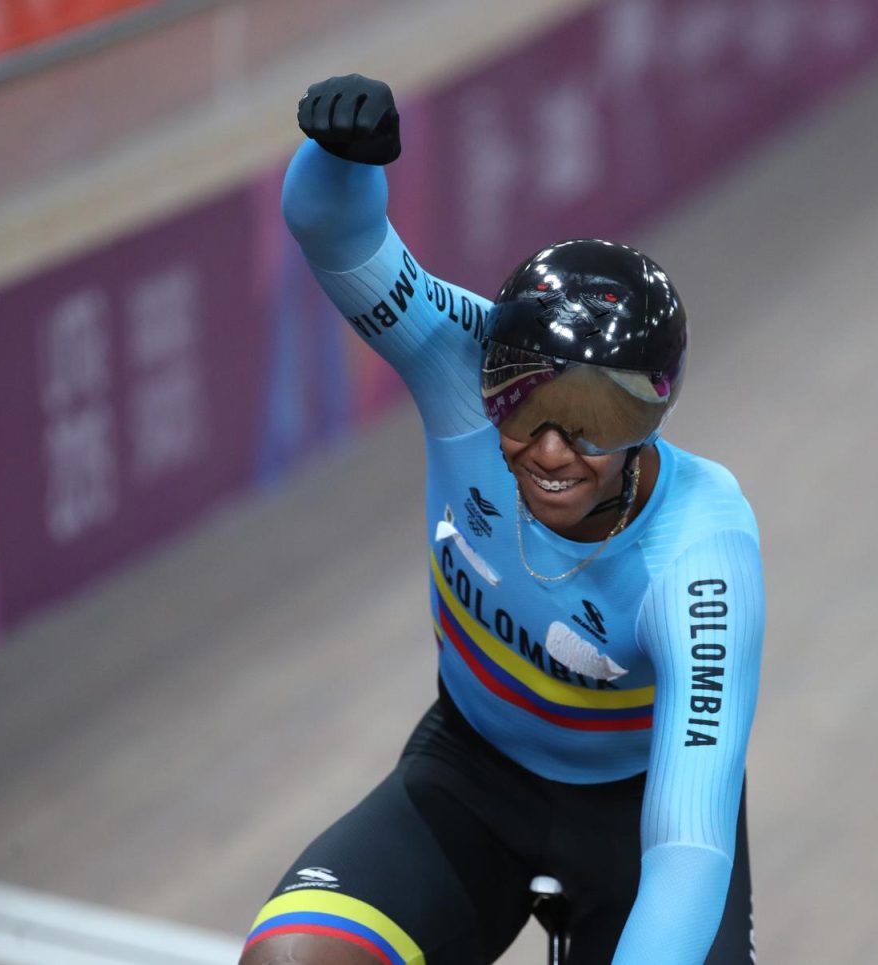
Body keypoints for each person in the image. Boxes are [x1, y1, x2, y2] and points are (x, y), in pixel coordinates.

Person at [240, 74, 765, 965]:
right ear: (493, 379)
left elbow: (687, 847)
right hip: (469, 776)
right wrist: (341, 160)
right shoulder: (462, 357)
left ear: (652, 423)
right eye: (527, 411)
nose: (554, 449)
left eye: (598, 424)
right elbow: (337, 233)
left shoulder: (703, 556)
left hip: (639, 827)